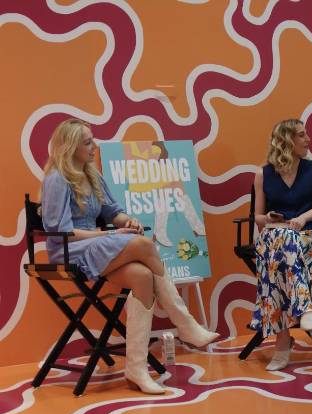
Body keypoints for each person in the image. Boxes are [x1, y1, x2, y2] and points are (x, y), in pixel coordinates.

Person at [41, 118, 219, 394]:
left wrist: (130, 220)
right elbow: (60, 231)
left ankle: (136, 370)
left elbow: (113, 212)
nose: (94, 146)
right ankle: (185, 325)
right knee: (144, 245)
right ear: (71, 147)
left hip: (96, 247)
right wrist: (105, 235)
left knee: (143, 276)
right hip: (70, 249)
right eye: (88, 142)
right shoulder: (58, 179)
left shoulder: (92, 175)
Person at [249, 119, 312, 371]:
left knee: (277, 261)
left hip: (305, 238)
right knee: (280, 240)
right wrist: (267, 219)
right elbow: (256, 217)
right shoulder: (262, 173)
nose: (308, 138)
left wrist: (303, 217)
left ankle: (282, 343)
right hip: (274, 237)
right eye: (301, 135)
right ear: (287, 141)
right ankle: (306, 309)